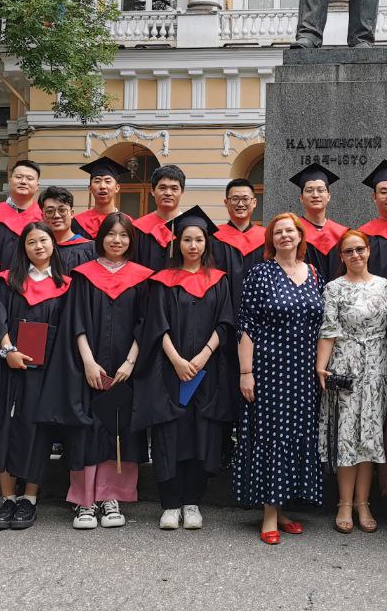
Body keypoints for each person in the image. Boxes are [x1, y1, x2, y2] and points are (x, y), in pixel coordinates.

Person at [34, 211, 152, 530]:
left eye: (124, 235)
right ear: (101, 237)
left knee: (119, 427)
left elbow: (147, 325)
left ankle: (111, 496)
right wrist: (87, 360)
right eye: (111, 234)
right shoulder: (84, 275)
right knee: (86, 428)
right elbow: (76, 321)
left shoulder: (142, 277)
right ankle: (85, 499)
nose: (117, 240)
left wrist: (130, 362)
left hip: (127, 367)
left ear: (131, 240)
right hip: (88, 365)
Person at [0, 221, 72, 531]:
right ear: (22, 248)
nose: (38, 246)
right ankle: (8, 498)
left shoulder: (66, 285)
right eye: (31, 243)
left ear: (53, 244)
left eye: (43, 240)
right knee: (4, 428)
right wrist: (7, 351)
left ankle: (29, 500)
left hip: (46, 371)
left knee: (36, 432)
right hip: (9, 367)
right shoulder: (8, 282)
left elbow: (68, 330)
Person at [134, 207, 236, 531]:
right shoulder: (163, 281)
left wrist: (204, 356)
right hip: (169, 370)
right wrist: (177, 360)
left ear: (206, 244)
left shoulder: (219, 281)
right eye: (187, 239)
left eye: (199, 240)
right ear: (177, 243)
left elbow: (225, 323)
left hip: (206, 372)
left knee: (201, 433)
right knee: (169, 433)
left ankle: (193, 501)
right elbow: (155, 325)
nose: (193, 245)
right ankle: (169, 503)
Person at [231, 212, 324, 545]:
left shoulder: (314, 273)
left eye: (291, 231)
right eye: (279, 232)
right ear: (271, 239)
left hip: (303, 373)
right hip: (270, 371)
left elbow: (321, 325)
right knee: (273, 438)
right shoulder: (260, 274)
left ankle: (282, 508)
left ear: (301, 236)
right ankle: (269, 515)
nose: (286, 236)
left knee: (296, 437)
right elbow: (247, 327)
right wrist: (246, 372)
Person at [316, 229, 387, 535]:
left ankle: (364, 503)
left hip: (377, 364)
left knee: (369, 434)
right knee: (347, 433)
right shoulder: (334, 288)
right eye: (349, 251)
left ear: (369, 250)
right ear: (342, 256)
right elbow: (328, 328)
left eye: (360, 249)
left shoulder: (385, 286)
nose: (356, 255)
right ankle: (345, 503)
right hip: (344, 363)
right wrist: (321, 367)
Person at [0, 160, 43, 266]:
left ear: (37, 185)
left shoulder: (43, 219)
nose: (23, 181)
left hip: (31, 280)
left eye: (29, 178)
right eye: (18, 177)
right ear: (10, 181)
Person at [211, 178, 266, 314]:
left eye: (245, 199)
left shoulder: (266, 238)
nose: (240, 204)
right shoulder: (213, 238)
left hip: (259, 310)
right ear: (226, 203)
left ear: (254, 202)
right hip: (221, 310)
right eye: (235, 199)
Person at [293, 163, 348, 281]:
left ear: (328, 196)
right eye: (309, 190)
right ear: (301, 198)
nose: (315, 195)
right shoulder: (292, 232)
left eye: (320, 190)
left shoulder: (343, 234)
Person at [133, 164, 186, 272]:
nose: (168, 193)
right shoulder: (138, 228)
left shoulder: (189, 227)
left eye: (174, 188)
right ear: (152, 190)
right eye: (162, 188)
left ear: (182, 191)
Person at [40, 185, 97, 270]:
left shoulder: (91, 249)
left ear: (72, 213)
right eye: (50, 211)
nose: (56, 215)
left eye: (62, 210)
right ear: (42, 216)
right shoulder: (38, 249)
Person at [73, 157, 128, 240]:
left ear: (117, 188)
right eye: (97, 181)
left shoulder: (128, 223)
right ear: (90, 188)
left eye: (108, 181)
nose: (102, 186)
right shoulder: (77, 223)